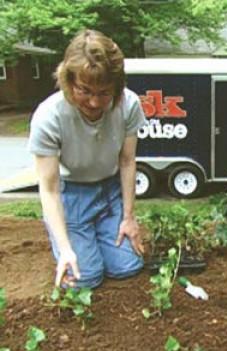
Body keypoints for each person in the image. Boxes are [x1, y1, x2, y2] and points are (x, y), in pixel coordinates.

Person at [28, 29, 145, 289]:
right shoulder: (50, 116)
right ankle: (71, 238)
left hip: (110, 192)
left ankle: (99, 232)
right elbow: (49, 189)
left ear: (117, 87)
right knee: (84, 278)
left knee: (128, 266)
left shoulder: (130, 105)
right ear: (69, 81)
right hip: (73, 196)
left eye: (104, 93)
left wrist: (128, 217)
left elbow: (127, 162)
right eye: (84, 90)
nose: (94, 102)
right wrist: (66, 248)